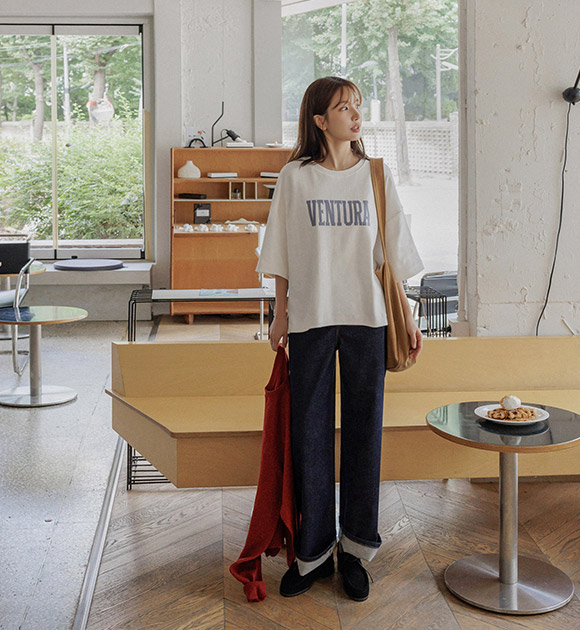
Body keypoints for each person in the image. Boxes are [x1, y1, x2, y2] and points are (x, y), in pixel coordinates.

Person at [256, 76, 423, 602]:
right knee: (308, 434)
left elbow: (392, 252)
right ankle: (312, 553)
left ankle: (355, 551)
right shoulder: (295, 177)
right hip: (310, 317)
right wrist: (279, 313)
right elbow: (280, 250)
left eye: (357, 106)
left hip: (367, 318)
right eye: (343, 107)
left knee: (364, 432)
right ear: (319, 120)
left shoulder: (376, 174)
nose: (355, 115)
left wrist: (408, 317)